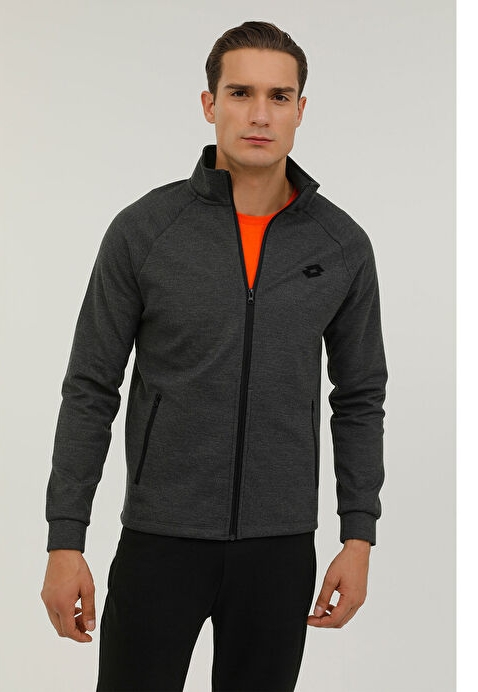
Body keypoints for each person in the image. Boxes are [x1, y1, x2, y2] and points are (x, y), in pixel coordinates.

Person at [40, 20, 388, 692]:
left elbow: (359, 397)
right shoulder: (145, 231)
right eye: (240, 92)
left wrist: (358, 534)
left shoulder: (340, 245)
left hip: (280, 547)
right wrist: (65, 538)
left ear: (300, 110)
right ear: (209, 104)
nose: (259, 114)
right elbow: (90, 387)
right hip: (159, 538)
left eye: (278, 96)